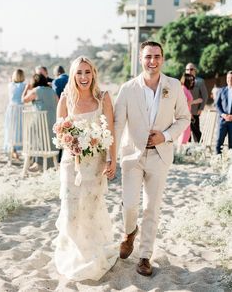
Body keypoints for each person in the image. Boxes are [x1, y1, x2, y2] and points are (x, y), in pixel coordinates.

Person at [114, 41, 190, 276]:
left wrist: (165, 136)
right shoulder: (127, 88)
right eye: (148, 57)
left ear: (163, 59)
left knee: (152, 208)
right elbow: (117, 124)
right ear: (140, 59)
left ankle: (145, 256)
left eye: (157, 56)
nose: (152, 61)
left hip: (160, 155)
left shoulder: (174, 86)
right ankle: (129, 232)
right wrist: (110, 156)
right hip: (131, 156)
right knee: (130, 205)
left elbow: (184, 118)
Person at [54, 56, 118, 281]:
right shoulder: (65, 99)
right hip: (71, 165)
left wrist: (113, 160)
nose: (83, 77)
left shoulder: (103, 98)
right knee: (71, 213)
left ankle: (92, 255)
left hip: (96, 165)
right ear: (73, 75)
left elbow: (111, 131)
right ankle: (76, 254)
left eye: (87, 72)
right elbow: (60, 133)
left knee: (90, 211)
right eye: (79, 72)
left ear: (94, 74)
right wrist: (71, 143)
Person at [21, 73, 58, 171]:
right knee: (47, 139)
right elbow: (57, 102)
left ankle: (38, 162)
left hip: (40, 122)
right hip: (52, 122)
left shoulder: (35, 90)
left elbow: (23, 100)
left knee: (32, 131)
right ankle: (48, 163)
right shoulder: (52, 91)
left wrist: (26, 88)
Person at [4, 69, 26, 159]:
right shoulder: (24, 86)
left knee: (11, 129)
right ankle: (20, 147)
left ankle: (13, 149)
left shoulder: (10, 85)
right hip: (21, 109)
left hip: (11, 109)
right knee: (20, 128)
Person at [185, 63, 208, 142]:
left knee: (196, 132)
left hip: (194, 111)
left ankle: (198, 149)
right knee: (186, 134)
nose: (189, 71)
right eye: (187, 69)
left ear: (195, 70)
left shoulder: (200, 81)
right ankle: (187, 151)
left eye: (191, 69)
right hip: (184, 112)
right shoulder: (182, 82)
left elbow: (205, 96)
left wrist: (201, 108)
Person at [178, 73, 203, 145]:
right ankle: (180, 152)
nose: (192, 82)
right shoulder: (183, 88)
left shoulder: (186, 89)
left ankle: (181, 153)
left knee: (187, 134)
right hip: (183, 116)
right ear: (186, 80)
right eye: (191, 80)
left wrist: (190, 114)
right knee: (184, 135)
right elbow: (183, 103)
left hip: (187, 115)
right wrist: (196, 101)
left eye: (193, 80)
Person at [215, 70, 232, 154]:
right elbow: (217, 105)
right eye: (228, 78)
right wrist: (223, 114)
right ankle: (218, 160)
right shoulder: (221, 91)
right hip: (223, 120)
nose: (230, 80)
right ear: (226, 79)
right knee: (218, 142)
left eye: (231, 78)